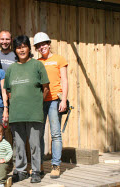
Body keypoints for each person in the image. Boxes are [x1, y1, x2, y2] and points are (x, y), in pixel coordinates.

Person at [4, 35, 50, 183]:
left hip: (34, 113)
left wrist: (36, 103)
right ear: (15, 50)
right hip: (17, 113)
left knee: (35, 144)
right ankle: (21, 171)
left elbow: (46, 89)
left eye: (24, 46)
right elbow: (9, 91)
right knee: (19, 145)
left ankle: (36, 171)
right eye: (18, 47)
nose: (21, 49)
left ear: (29, 48)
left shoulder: (37, 66)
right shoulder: (11, 68)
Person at [34, 32, 68, 179]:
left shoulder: (59, 59)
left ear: (49, 44)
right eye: (39, 45)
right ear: (36, 48)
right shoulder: (36, 62)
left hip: (55, 100)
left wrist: (64, 100)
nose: (42, 47)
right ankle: (39, 164)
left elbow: (64, 80)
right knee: (39, 134)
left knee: (55, 133)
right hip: (41, 101)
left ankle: (56, 165)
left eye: (44, 44)